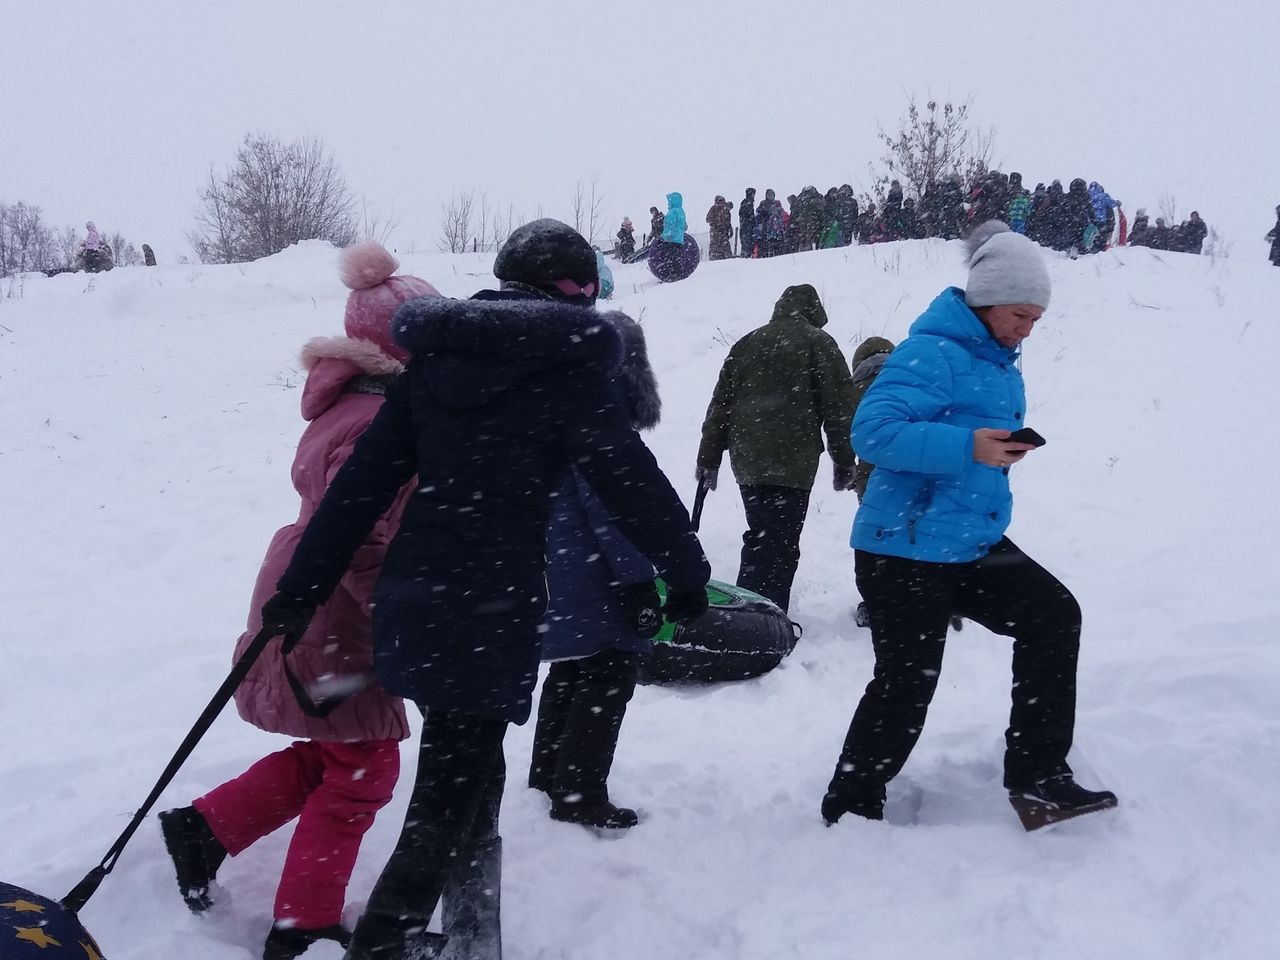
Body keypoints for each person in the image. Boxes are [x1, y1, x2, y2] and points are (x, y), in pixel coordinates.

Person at [259, 219, 711, 960]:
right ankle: (387, 942)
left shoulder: (434, 364)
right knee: (449, 789)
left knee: (468, 769)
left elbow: (362, 488)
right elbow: (630, 481)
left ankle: (473, 931)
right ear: (576, 291)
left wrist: (303, 586)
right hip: (487, 604)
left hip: (418, 593)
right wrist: (686, 573)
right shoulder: (566, 372)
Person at [158, 242, 439, 960]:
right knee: (365, 768)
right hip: (334, 609)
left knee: (338, 749)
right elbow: (366, 541)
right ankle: (304, 921)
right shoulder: (381, 423)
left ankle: (205, 829)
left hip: (311, 599)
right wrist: (410, 624)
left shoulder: (352, 402)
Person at [821, 221, 1117, 828]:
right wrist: (969, 449)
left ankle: (1039, 777)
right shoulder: (933, 351)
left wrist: (993, 452)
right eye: (1019, 314)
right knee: (907, 681)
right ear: (985, 299)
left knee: (1054, 618)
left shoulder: (999, 363)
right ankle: (850, 809)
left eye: (1036, 318)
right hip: (901, 548)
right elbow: (871, 433)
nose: (1027, 328)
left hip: (967, 542)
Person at [528, 311, 663, 831]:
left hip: (561, 567)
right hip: (597, 575)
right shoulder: (607, 435)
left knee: (573, 666)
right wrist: (639, 582)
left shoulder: (555, 420)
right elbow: (618, 516)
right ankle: (580, 791)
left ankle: (548, 774)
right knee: (608, 671)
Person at [696, 284, 857, 614]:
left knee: (760, 534)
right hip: (792, 461)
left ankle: (749, 613)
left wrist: (709, 458)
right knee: (781, 542)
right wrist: (844, 460)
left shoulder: (746, 343)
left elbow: (719, 405)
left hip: (748, 461)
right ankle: (763, 619)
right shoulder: (818, 343)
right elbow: (838, 407)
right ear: (814, 312)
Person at [706, 195, 734, 260]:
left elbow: (728, 222)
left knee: (725, 247)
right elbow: (708, 219)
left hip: (723, 232)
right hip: (716, 232)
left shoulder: (726, 210)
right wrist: (716, 223)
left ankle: (727, 259)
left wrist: (730, 228)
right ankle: (715, 259)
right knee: (715, 247)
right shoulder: (714, 208)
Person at [738, 188, 758, 257]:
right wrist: (754, 221)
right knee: (748, 244)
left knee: (745, 244)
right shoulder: (748, 202)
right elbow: (750, 215)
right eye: (753, 194)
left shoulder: (744, 202)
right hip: (747, 227)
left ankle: (745, 255)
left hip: (744, 227)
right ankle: (746, 256)